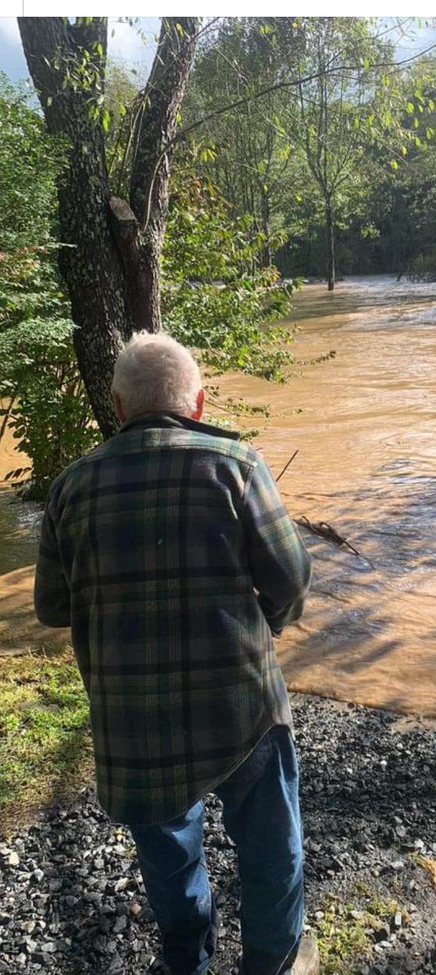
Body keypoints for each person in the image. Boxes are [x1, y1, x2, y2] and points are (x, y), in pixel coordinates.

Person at [35, 332, 319, 975]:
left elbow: (53, 607)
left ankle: (187, 962)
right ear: (199, 402)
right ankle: (274, 962)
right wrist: (266, 625)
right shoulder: (236, 464)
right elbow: (292, 579)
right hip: (241, 705)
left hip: (133, 722)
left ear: (117, 405)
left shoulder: (71, 488)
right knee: (272, 849)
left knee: (171, 856)